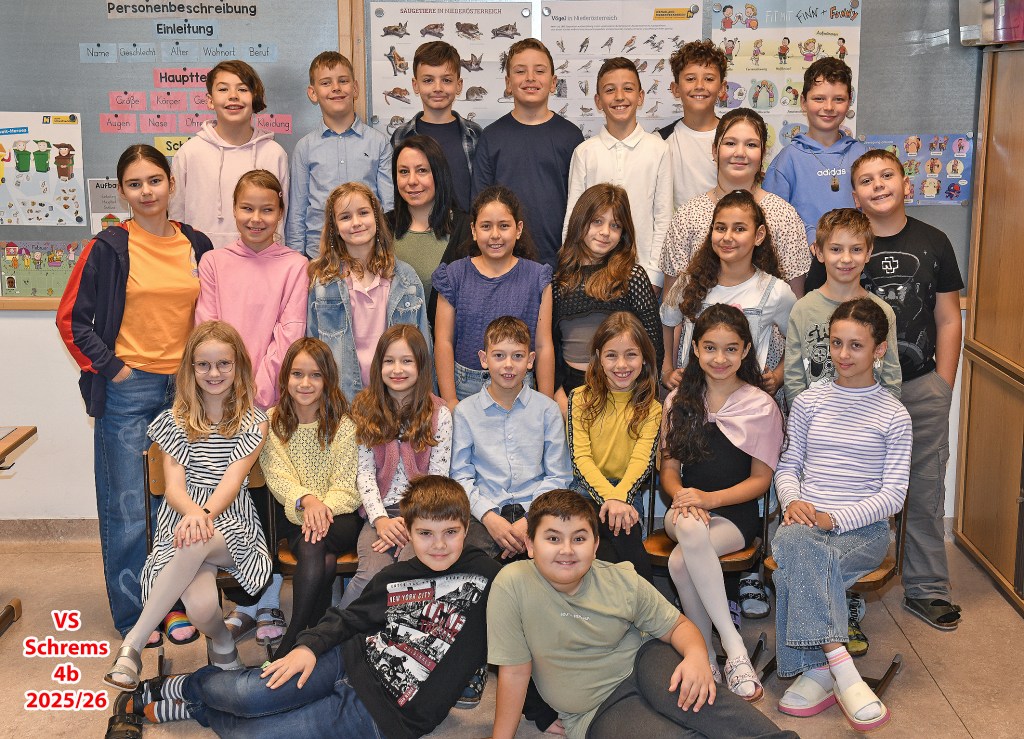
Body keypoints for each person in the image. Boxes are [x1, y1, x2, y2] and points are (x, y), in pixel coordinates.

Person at [130, 475, 503, 739]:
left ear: (465, 528)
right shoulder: (397, 576)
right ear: (408, 530)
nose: (438, 545)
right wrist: (308, 647)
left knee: (252, 734)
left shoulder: (489, 578)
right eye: (425, 533)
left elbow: (527, 629)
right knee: (246, 695)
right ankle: (185, 685)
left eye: (450, 532)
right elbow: (349, 617)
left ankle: (195, 708)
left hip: (381, 717)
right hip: (347, 659)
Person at [56, 144, 213, 645]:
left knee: (181, 504)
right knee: (128, 507)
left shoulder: (197, 243)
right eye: (135, 183)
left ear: (171, 184)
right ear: (122, 191)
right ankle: (134, 614)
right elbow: (72, 321)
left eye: (155, 180)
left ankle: (173, 606)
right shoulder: (107, 247)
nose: (147, 191)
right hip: (130, 389)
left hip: (187, 392)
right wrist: (114, 369)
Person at [487, 488, 798, 739]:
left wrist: (695, 657)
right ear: (530, 544)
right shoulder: (512, 585)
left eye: (579, 538)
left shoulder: (620, 579)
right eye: (553, 538)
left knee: (708, 707)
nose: (566, 550)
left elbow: (678, 625)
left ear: (595, 545)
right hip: (596, 709)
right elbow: (514, 672)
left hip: (645, 661)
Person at [103, 320, 272, 691]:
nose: (214, 373)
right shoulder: (174, 421)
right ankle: (223, 643)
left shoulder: (254, 422)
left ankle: (133, 644)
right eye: (204, 365)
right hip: (181, 521)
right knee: (201, 608)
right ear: (191, 369)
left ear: (238, 367)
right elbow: (174, 488)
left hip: (230, 522)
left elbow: (231, 482)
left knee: (196, 538)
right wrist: (194, 515)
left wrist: (203, 515)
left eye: (223, 364)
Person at [772, 297, 911, 732]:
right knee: (800, 545)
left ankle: (818, 670)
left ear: (879, 349)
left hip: (862, 531)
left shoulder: (894, 414)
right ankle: (839, 665)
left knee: (800, 561)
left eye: (856, 345)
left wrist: (834, 519)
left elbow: (894, 496)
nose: (843, 355)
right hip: (803, 523)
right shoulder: (809, 402)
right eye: (836, 343)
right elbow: (788, 466)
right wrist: (792, 501)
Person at [195, 168, 308, 646]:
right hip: (221, 401)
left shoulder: (295, 265)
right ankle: (245, 603)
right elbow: (208, 328)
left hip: (272, 403)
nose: (256, 218)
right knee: (232, 500)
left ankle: (270, 599)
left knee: (270, 501)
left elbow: (290, 332)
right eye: (247, 208)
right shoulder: (214, 263)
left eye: (267, 209)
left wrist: (255, 395)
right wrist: (228, 392)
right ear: (233, 209)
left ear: (280, 212)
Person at [852, 148, 965, 630]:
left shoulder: (934, 241)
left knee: (924, 489)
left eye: (886, 176)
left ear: (906, 183)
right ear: (855, 196)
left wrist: (944, 384)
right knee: (853, 488)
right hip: (859, 393)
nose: (878, 185)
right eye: (866, 180)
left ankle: (927, 588)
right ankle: (848, 586)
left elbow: (948, 317)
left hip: (922, 387)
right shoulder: (845, 243)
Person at [661, 304, 784, 702]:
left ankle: (705, 657)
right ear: (695, 349)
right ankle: (735, 650)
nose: (720, 358)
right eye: (710, 348)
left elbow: (761, 481)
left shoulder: (761, 405)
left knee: (680, 562)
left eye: (731, 349)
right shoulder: (679, 400)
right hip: (684, 509)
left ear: (746, 350)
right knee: (690, 527)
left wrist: (709, 499)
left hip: (734, 514)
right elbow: (669, 469)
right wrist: (684, 497)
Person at [259, 338, 361, 657]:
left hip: (339, 518)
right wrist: (307, 501)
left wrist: (322, 508)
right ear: (285, 377)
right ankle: (311, 640)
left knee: (313, 541)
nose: (305, 383)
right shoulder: (273, 422)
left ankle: (292, 640)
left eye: (315, 375)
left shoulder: (344, 425)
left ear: (328, 379)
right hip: (295, 517)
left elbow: (347, 486)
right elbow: (278, 476)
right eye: (297, 374)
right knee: (319, 554)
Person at [342, 325, 452, 608]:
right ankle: (336, 631)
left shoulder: (439, 413)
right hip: (379, 512)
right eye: (389, 361)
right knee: (370, 577)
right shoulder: (365, 408)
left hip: (424, 514)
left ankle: (393, 634)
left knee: (408, 574)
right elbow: (364, 473)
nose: (397, 369)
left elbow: (438, 479)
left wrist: (414, 522)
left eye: (406, 361)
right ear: (378, 365)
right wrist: (380, 520)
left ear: (421, 365)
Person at [660, 107, 809, 312]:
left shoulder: (784, 216)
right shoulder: (688, 216)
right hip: (699, 331)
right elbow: (671, 307)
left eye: (751, 145)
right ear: (715, 151)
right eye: (730, 143)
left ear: (763, 153)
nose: (740, 153)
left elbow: (796, 307)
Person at [451, 316, 571, 561]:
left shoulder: (547, 410)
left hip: (537, 511)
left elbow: (559, 476)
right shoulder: (465, 412)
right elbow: (460, 476)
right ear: (484, 359)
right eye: (499, 356)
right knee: (469, 563)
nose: (508, 365)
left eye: (517, 356)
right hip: (486, 514)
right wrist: (489, 517)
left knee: (556, 562)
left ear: (530, 360)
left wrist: (529, 519)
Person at [307, 182, 431, 403]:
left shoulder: (406, 279)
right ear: (334, 227)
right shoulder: (324, 284)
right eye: (345, 217)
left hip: (396, 400)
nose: (356, 222)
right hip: (341, 401)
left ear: (376, 217)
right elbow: (312, 348)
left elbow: (423, 347)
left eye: (363, 213)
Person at [661, 190, 796, 393]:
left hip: (746, 401)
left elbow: (798, 338)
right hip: (693, 397)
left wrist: (778, 376)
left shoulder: (775, 291)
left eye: (739, 229)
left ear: (759, 235)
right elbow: (667, 322)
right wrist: (666, 369)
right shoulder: (688, 282)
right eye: (721, 228)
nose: (727, 237)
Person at [433, 186, 554, 405]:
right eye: (486, 226)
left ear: (518, 229)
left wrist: (546, 403)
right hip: (465, 389)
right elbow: (443, 341)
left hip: (521, 388)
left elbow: (544, 345)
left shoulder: (537, 278)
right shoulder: (453, 275)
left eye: (504, 226)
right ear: (473, 230)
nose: (495, 235)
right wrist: (450, 399)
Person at [472, 38, 584, 266]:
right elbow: (479, 206)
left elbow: (582, 206)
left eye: (539, 71)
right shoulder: (491, 137)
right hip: (504, 262)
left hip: (561, 263)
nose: (530, 78)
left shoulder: (571, 137)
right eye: (520, 71)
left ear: (553, 82)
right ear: (508, 82)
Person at [563, 57, 672, 288]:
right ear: (598, 101)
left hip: (642, 274)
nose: (619, 97)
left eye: (628, 89)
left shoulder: (659, 149)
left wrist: (654, 277)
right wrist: (572, 268)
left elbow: (663, 218)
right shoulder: (585, 152)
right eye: (610, 90)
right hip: (590, 275)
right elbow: (573, 216)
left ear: (640, 97)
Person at [568, 312, 661, 581]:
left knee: (624, 533)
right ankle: (643, 598)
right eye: (611, 355)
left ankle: (642, 599)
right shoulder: (579, 398)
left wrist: (619, 498)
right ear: (598, 357)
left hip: (628, 491)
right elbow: (580, 458)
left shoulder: (652, 409)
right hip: (586, 490)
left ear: (644, 358)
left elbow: (641, 462)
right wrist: (610, 499)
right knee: (600, 547)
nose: (621, 364)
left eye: (631, 355)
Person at [553, 184, 662, 412]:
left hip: (624, 391)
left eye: (615, 225)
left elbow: (653, 346)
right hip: (571, 391)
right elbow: (551, 345)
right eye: (597, 221)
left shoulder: (632, 277)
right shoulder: (560, 280)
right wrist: (556, 391)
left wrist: (641, 396)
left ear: (623, 233)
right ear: (580, 221)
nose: (605, 232)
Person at [763, 57, 869, 291]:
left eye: (838, 99)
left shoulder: (862, 155)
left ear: (849, 102)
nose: (828, 107)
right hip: (803, 272)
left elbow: (876, 212)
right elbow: (773, 223)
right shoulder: (787, 160)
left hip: (856, 268)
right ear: (803, 102)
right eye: (819, 98)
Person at [785, 207, 901, 404]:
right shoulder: (802, 309)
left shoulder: (883, 311)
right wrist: (804, 416)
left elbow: (891, 378)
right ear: (819, 252)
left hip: (869, 417)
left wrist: (879, 417)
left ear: (868, 253)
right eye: (836, 249)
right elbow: (793, 378)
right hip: (815, 419)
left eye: (856, 249)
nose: (846, 259)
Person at [169, 60, 288, 249]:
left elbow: (281, 219)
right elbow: (176, 217)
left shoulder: (274, 154)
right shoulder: (189, 153)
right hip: (200, 259)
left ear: (254, 97)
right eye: (223, 89)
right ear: (210, 100)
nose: (233, 96)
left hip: (261, 259)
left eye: (242, 89)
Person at [287, 51, 393, 259]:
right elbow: (297, 212)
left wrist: (387, 251)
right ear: (313, 93)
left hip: (368, 254)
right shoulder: (304, 148)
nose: (336, 87)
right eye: (326, 83)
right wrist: (296, 259)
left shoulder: (379, 143)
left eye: (343, 81)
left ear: (355, 88)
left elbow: (388, 206)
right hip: (319, 255)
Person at [385, 135, 472, 326]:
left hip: (450, 342)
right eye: (403, 172)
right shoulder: (382, 227)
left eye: (422, 170)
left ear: (439, 173)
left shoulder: (467, 230)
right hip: (394, 342)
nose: (412, 181)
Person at [390, 41, 482, 212]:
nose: (438, 88)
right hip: (416, 227)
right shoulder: (401, 136)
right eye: (428, 80)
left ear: (459, 85)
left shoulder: (475, 134)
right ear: (415, 85)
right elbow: (396, 191)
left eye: (446, 80)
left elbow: (482, 190)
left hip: (465, 227)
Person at [657, 40, 728, 210]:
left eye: (709, 79)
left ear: (722, 88)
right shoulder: (660, 142)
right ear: (675, 89)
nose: (699, 86)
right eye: (690, 79)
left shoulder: (734, 138)